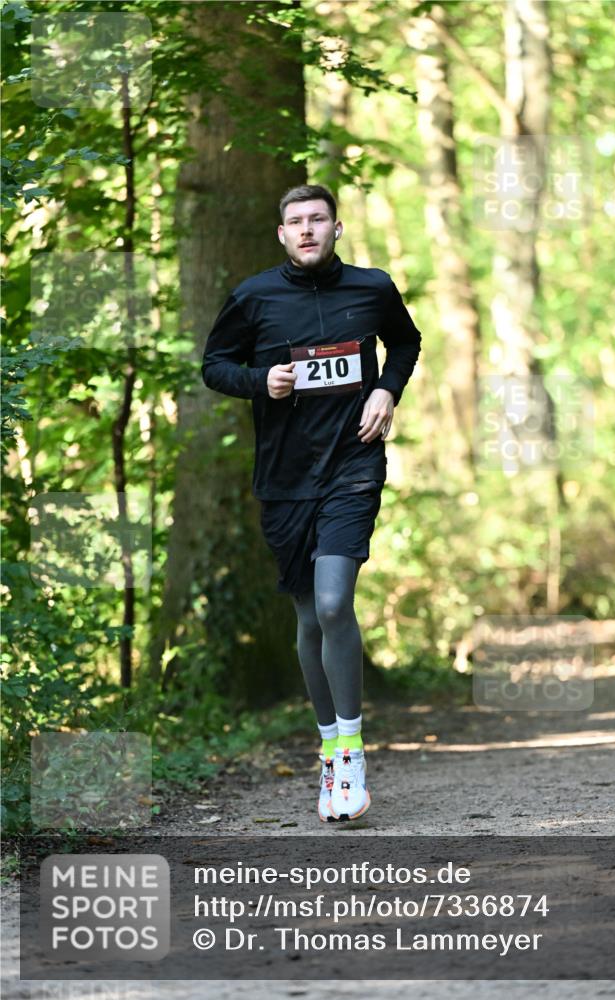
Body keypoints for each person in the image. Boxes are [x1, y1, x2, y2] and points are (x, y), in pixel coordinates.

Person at [202, 183, 421, 821]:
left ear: (336, 227)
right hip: (285, 476)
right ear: (281, 233)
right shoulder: (254, 297)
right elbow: (214, 364)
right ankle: (328, 751)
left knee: (333, 603)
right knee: (306, 620)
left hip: (353, 464)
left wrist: (387, 391)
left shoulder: (372, 288)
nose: (306, 229)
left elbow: (404, 344)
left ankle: (351, 752)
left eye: (317, 219)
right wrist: (258, 381)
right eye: (295, 221)